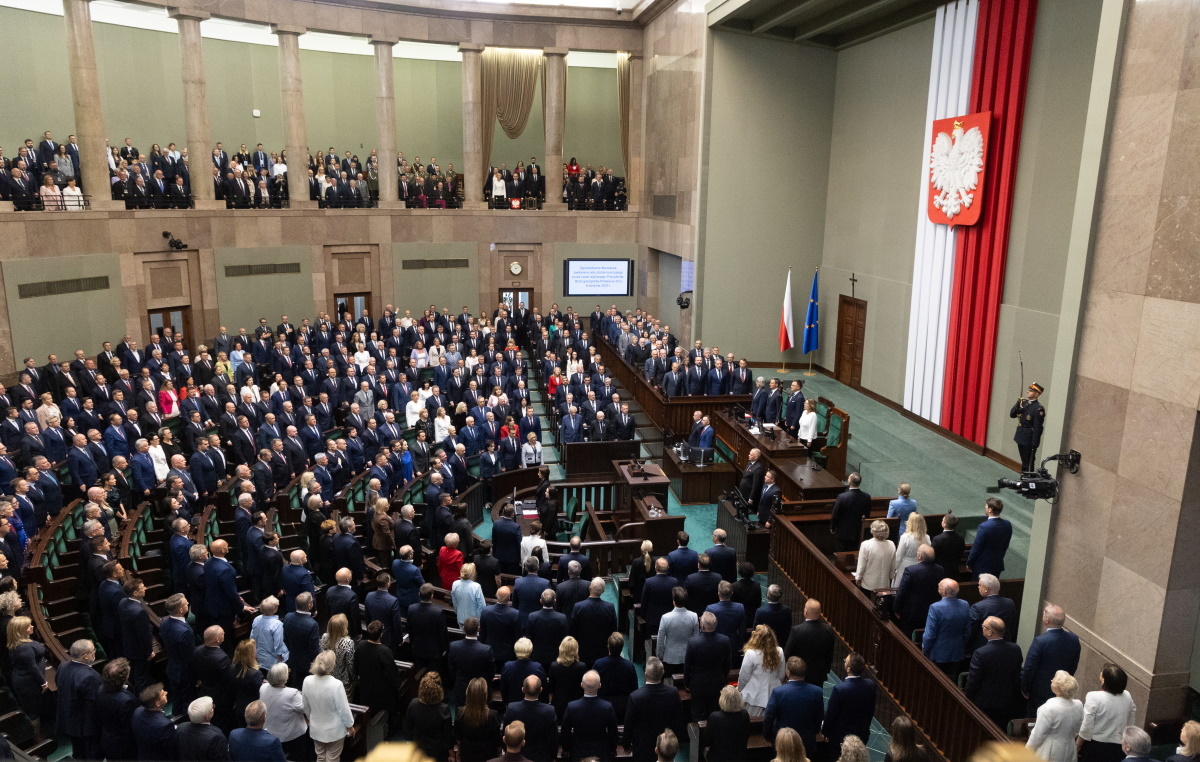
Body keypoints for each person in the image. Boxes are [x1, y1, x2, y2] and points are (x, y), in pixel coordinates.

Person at [965, 616, 1024, 729]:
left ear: (990, 632)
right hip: (1007, 700)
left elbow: (973, 680)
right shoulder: (1015, 649)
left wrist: (968, 696)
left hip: (984, 703)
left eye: (984, 627)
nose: (982, 628)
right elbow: (1016, 674)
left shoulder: (981, 653)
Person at [1022, 605, 1081, 716]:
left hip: (1039, 692)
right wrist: (1064, 683)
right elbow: (1074, 664)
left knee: (1036, 719)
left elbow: (1029, 667)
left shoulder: (1040, 641)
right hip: (1062, 690)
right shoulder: (1074, 639)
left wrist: (1025, 688)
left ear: (1047, 620)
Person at [621, 657, 683, 761]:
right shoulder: (673, 693)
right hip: (666, 745)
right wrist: (676, 743)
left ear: (645, 674)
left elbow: (629, 724)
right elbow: (678, 720)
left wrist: (626, 745)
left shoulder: (635, 697)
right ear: (663, 673)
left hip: (642, 747)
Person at [302, 651, 355, 762]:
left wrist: (310, 719)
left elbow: (306, 706)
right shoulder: (336, 684)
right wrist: (350, 725)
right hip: (335, 730)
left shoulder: (307, 681)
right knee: (333, 758)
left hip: (316, 727)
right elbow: (344, 709)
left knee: (320, 757)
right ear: (332, 666)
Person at [1078, 664, 1137, 762]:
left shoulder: (1093, 696)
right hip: (1119, 747)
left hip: (1095, 746)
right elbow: (1131, 720)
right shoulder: (1127, 696)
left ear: (1105, 681)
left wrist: (1078, 745)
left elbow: (1086, 726)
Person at [764, 656, 824, 750]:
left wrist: (768, 737)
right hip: (807, 741)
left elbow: (769, 717)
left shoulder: (778, 692)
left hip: (784, 742)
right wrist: (814, 732)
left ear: (788, 672)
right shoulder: (817, 692)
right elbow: (819, 717)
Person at [57, 638, 103, 761]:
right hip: (87, 728)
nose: (95, 652)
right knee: (93, 756)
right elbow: (95, 705)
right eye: (93, 650)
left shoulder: (63, 666)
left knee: (78, 755)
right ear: (86, 656)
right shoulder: (90, 676)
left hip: (70, 722)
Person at [1025, 670, 1084, 762]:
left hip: (1050, 750)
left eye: (1054, 679)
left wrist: (1026, 751)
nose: (1052, 680)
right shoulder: (1079, 705)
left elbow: (1037, 735)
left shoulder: (1048, 708)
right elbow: (1077, 729)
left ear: (1057, 689)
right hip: (1070, 748)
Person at [684, 611, 733, 721]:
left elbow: (688, 666)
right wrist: (722, 678)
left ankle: (699, 738)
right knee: (715, 715)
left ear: (702, 625)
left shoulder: (693, 642)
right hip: (718, 684)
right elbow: (727, 664)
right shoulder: (725, 640)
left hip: (698, 685)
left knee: (698, 716)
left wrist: (687, 683)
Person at [561, 670, 619, 761]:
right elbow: (613, 732)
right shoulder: (607, 707)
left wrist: (566, 749)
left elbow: (565, 732)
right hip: (601, 752)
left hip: (578, 752)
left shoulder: (572, 707)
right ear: (599, 685)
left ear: (582, 685)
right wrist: (612, 749)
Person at [822, 652, 877, 748]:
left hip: (842, 738)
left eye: (845, 662)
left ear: (848, 668)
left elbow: (831, 715)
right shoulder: (870, 685)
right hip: (862, 735)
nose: (844, 663)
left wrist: (825, 733)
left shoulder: (840, 690)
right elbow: (871, 711)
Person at [260, 663, 312, 762]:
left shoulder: (263, 688)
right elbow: (306, 708)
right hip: (291, 738)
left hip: (269, 733)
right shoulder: (292, 694)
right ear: (285, 677)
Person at [922, 578, 971, 676]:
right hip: (957, 651)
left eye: (939, 586)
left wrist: (924, 649)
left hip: (938, 653)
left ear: (943, 591)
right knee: (951, 681)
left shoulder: (935, 607)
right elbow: (967, 631)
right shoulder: (965, 604)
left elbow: (930, 634)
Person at [8, 616, 47, 735]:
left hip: (24, 680)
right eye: (28, 626)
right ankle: (38, 738)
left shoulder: (20, 642)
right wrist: (43, 683)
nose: (32, 626)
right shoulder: (24, 648)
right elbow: (33, 668)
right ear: (21, 630)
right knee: (33, 712)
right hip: (29, 684)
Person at [893, 545, 944, 636]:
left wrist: (897, 608)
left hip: (912, 613)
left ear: (919, 556)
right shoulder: (940, 569)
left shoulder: (911, 570)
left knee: (907, 637)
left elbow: (902, 592)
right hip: (931, 610)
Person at [403, 671, 454, 762]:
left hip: (418, 751)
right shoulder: (444, 709)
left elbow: (407, 730)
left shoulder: (413, 704)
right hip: (437, 753)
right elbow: (447, 737)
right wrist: (451, 753)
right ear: (439, 690)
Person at [784, 599, 835, 688]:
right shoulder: (828, 630)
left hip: (798, 675)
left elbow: (787, 654)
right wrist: (825, 671)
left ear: (806, 611)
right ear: (819, 612)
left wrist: (787, 672)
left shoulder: (796, 630)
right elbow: (830, 654)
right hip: (818, 675)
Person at [738, 624, 786, 716]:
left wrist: (740, 689)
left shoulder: (751, 653)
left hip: (753, 696)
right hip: (774, 695)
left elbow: (744, 676)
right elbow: (781, 675)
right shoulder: (779, 651)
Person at [449, 616, 496, 707]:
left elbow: (451, 668)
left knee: (461, 716)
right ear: (478, 628)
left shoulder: (454, 646)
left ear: (463, 628)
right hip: (480, 690)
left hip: (461, 688)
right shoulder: (486, 649)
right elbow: (491, 672)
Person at [570, 577, 618, 667]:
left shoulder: (578, 607)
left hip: (583, 651)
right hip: (602, 652)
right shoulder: (609, 608)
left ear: (590, 588)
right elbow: (613, 631)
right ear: (603, 591)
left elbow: (573, 630)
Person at [457, 677, 502, 762]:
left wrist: (459, 752)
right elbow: (497, 742)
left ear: (468, 693)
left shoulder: (461, 713)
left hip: (467, 755)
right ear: (485, 694)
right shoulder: (493, 715)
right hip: (488, 756)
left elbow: (458, 738)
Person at [656, 586, 698, 675]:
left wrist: (660, 656)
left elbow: (660, 640)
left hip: (670, 658)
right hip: (688, 657)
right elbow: (696, 639)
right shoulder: (694, 616)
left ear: (673, 602)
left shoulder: (665, 617)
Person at [970, 574, 1018, 650]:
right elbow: (1013, 625)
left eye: (979, 585)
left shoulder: (977, 607)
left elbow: (972, 631)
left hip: (983, 647)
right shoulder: (1010, 603)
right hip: (1006, 645)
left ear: (986, 589)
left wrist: (967, 648)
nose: (978, 587)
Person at [968, 497, 1013, 579]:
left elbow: (977, 547)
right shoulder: (1007, 524)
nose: (985, 507)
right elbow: (1005, 545)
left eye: (986, 506)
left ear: (990, 509)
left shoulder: (984, 526)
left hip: (982, 566)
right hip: (997, 565)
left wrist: (969, 562)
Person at [284, 592, 321, 689]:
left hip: (292, 659)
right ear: (310, 605)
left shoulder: (288, 617)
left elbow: (285, 639)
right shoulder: (312, 624)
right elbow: (314, 649)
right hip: (307, 666)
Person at [132, 684, 179, 761]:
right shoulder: (165, 725)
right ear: (157, 703)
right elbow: (171, 751)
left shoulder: (137, 711)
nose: (166, 693)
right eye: (163, 694)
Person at [176, 696, 231, 760]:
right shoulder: (215, 737)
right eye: (212, 707)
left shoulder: (181, 727)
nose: (213, 707)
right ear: (207, 717)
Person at [830, 473, 872, 552]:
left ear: (849, 482)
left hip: (843, 532)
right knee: (854, 553)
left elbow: (835, 515)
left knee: (842, 554)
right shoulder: (866, 497)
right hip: (858, 531)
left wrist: (833, 527)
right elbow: (867, 514)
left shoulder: (842, 497)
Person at [1010, 382, 1046, 472]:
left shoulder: (1038, 408)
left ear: (1037, 394)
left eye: (1031, 391)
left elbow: (1038, 428)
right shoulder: (1024, 403)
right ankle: (1023, 478)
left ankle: (1029, 479)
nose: (1028, 392)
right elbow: (1012, 415)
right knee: (1024, 461)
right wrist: (1017, 404)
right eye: (1029, 390)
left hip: (1028, 439)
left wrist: (1035, 444)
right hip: (1020, 436)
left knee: (1029, 462)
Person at [232, 639, 266, 728]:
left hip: (239, 706)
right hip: (253, 710)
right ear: (250, 655)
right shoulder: (255, 674)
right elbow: (259, 692)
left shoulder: (233, 668)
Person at [318, 614, 356, 693]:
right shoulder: (348, 642)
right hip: (342, 681)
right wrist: (354, 680)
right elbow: (350, 665)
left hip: (327, 677)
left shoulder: (324, 637)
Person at [856, 519, 896, 591]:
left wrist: (858, 578)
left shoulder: (866, 544)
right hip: (884, 585)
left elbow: (862, 565)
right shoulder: (891, 544)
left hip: (868, 585)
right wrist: (891, 577)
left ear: (873, 531)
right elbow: (893, 566)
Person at [892, 512, 931, 584]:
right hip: (921, 566)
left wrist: (895, 568)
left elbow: (899, 555)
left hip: (905, 566)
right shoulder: (927, 537)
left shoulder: (905, 537)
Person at [755, 584, 794, 649]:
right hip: (781, 644)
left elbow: (756, 630)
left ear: (767, 596)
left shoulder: (760, 611)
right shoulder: (787, 610)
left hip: (765, 645)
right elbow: (788, 629)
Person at [931, 513, 966, 578]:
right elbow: (960, 553)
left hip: (940, 572)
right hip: (954, 571)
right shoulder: (960, 538)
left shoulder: (937, 539)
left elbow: (932, 556)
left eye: (942, 520)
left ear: (944, 524)